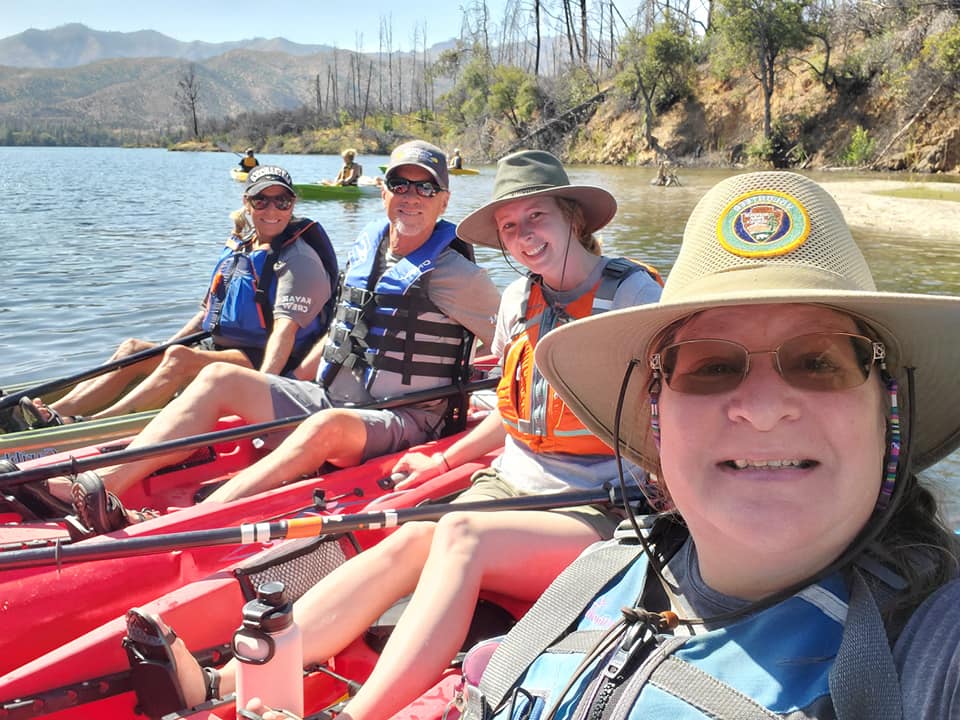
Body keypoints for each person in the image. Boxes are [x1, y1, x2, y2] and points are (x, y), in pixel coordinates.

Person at [117, 149, 664, 720]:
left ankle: (359, 714)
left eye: (537, 217)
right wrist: (445, 458)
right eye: (509, 226)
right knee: (406, 540)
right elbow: (519, 411)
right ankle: (220, 680)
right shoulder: (515, 301)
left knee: (459, 537)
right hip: (513, 486)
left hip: (599, 510)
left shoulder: (631, 296)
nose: (523, 235)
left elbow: (673, 410)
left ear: (573, 217)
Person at [460, 171, 960, 719]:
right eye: (713, 367)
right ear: (657, 418)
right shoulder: (596, 575)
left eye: (818, 362)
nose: (765, 410)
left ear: (887, 412)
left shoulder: (935, 651)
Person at [53, 141, 500, 535]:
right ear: (384, 191)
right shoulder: (371, 248)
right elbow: (343, 330)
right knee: (220, 379)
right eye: (401, 184)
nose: (411, 197)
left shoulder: (458, 275)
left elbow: (511, 347)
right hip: (335, 400)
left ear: (444, 200)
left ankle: (187, 519)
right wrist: (292, 384)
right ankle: (97, 490)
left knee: (324, 426)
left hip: (405, 423)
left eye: (425, 188)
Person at [19, 166, 337, 428]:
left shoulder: (299, 261)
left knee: (179, 359)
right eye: (261, 201)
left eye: (281, 201)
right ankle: (47, 413)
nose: (271, 209)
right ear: (247, 202)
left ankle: (89, 425)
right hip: (227, 346)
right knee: (133, 349)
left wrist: (265, 387)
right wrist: (158, 351)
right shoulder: (244, 245)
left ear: (292, 204)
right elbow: (207, 313)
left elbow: (284, 334)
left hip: (268, 359)